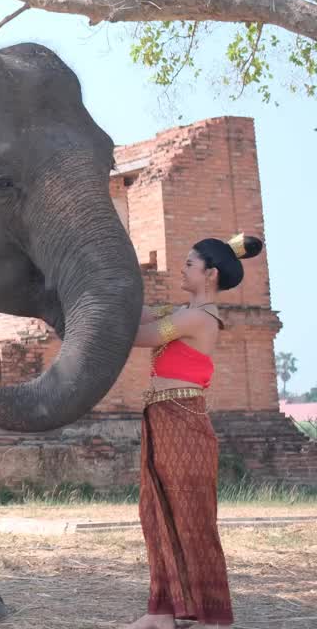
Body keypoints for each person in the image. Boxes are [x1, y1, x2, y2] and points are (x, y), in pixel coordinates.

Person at [126, 232, 264, 629]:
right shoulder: (181, 310)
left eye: (190, 263)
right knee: (156, 514)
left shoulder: (197, 317)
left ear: (211, 274)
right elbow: (142, 315)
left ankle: (214, 617)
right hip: (162, 419)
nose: (182, 268)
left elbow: (140, 335)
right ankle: (162, 611)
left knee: (192, 519)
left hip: (184, 422)